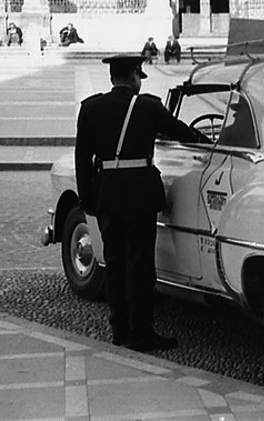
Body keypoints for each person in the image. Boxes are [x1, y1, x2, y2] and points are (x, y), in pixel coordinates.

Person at [74, 54, 209, 352]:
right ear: (135, 75)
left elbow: (82, 159)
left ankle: (119, 328)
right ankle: (141, 331)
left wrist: (87, 200)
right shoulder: (148, 107)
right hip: (139, 195)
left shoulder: (90, 109)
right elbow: (182, 133)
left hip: (107, 194)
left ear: (112, 78)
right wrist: (208, 141)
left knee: (115, 263)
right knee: (139, 266)